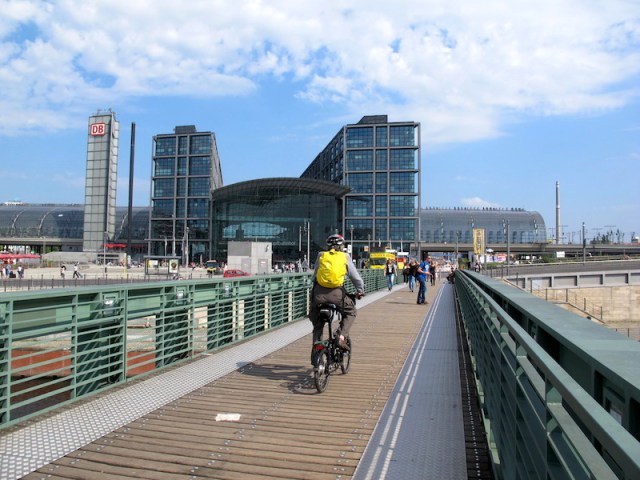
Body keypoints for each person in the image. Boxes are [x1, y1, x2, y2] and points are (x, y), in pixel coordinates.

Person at [310, 234, 365, 357]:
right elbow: (355, 277)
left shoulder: (321, 255)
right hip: (337, 295)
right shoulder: (345, 257)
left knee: (318, 322)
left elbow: (314, 277)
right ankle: (341, 335)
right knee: (351, 311)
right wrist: (360, 290)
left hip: (318, 294)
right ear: (342, 246)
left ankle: (317, 346)